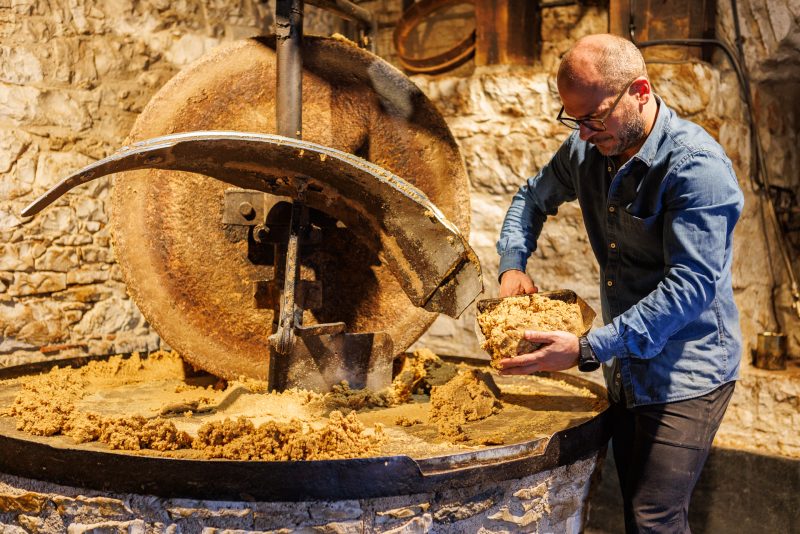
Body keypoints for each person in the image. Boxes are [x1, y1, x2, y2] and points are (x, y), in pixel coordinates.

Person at [495, 34, 743, 533]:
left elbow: (690, 287)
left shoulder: (696, 166)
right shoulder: (585, 149)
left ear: (640, 91)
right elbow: (530, 199)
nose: (584, 133)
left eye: (594, 117)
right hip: (627, 365)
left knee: (654, 517)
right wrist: (512, 265)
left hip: (687, 370)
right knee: (635, 509)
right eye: (574, 119)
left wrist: (587, 348)